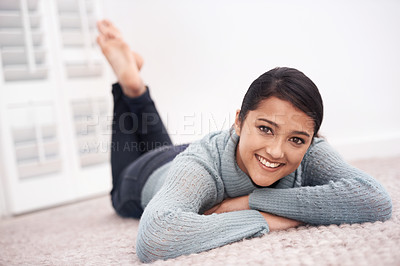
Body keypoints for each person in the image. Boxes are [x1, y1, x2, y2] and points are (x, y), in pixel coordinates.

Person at [96, 20, 392, 263]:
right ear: (239, 121)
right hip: (144, 176)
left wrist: (251, 202)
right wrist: (264, 218)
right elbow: (156, 237)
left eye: (297, 140)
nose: (277, 151)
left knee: (168, 148)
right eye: (265, 129)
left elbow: (373, 199)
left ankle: (135, 86)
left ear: (311, 139)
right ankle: (132, 87)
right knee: (123, 181)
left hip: (186, 156)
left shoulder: (310, 147)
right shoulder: (200, 164)